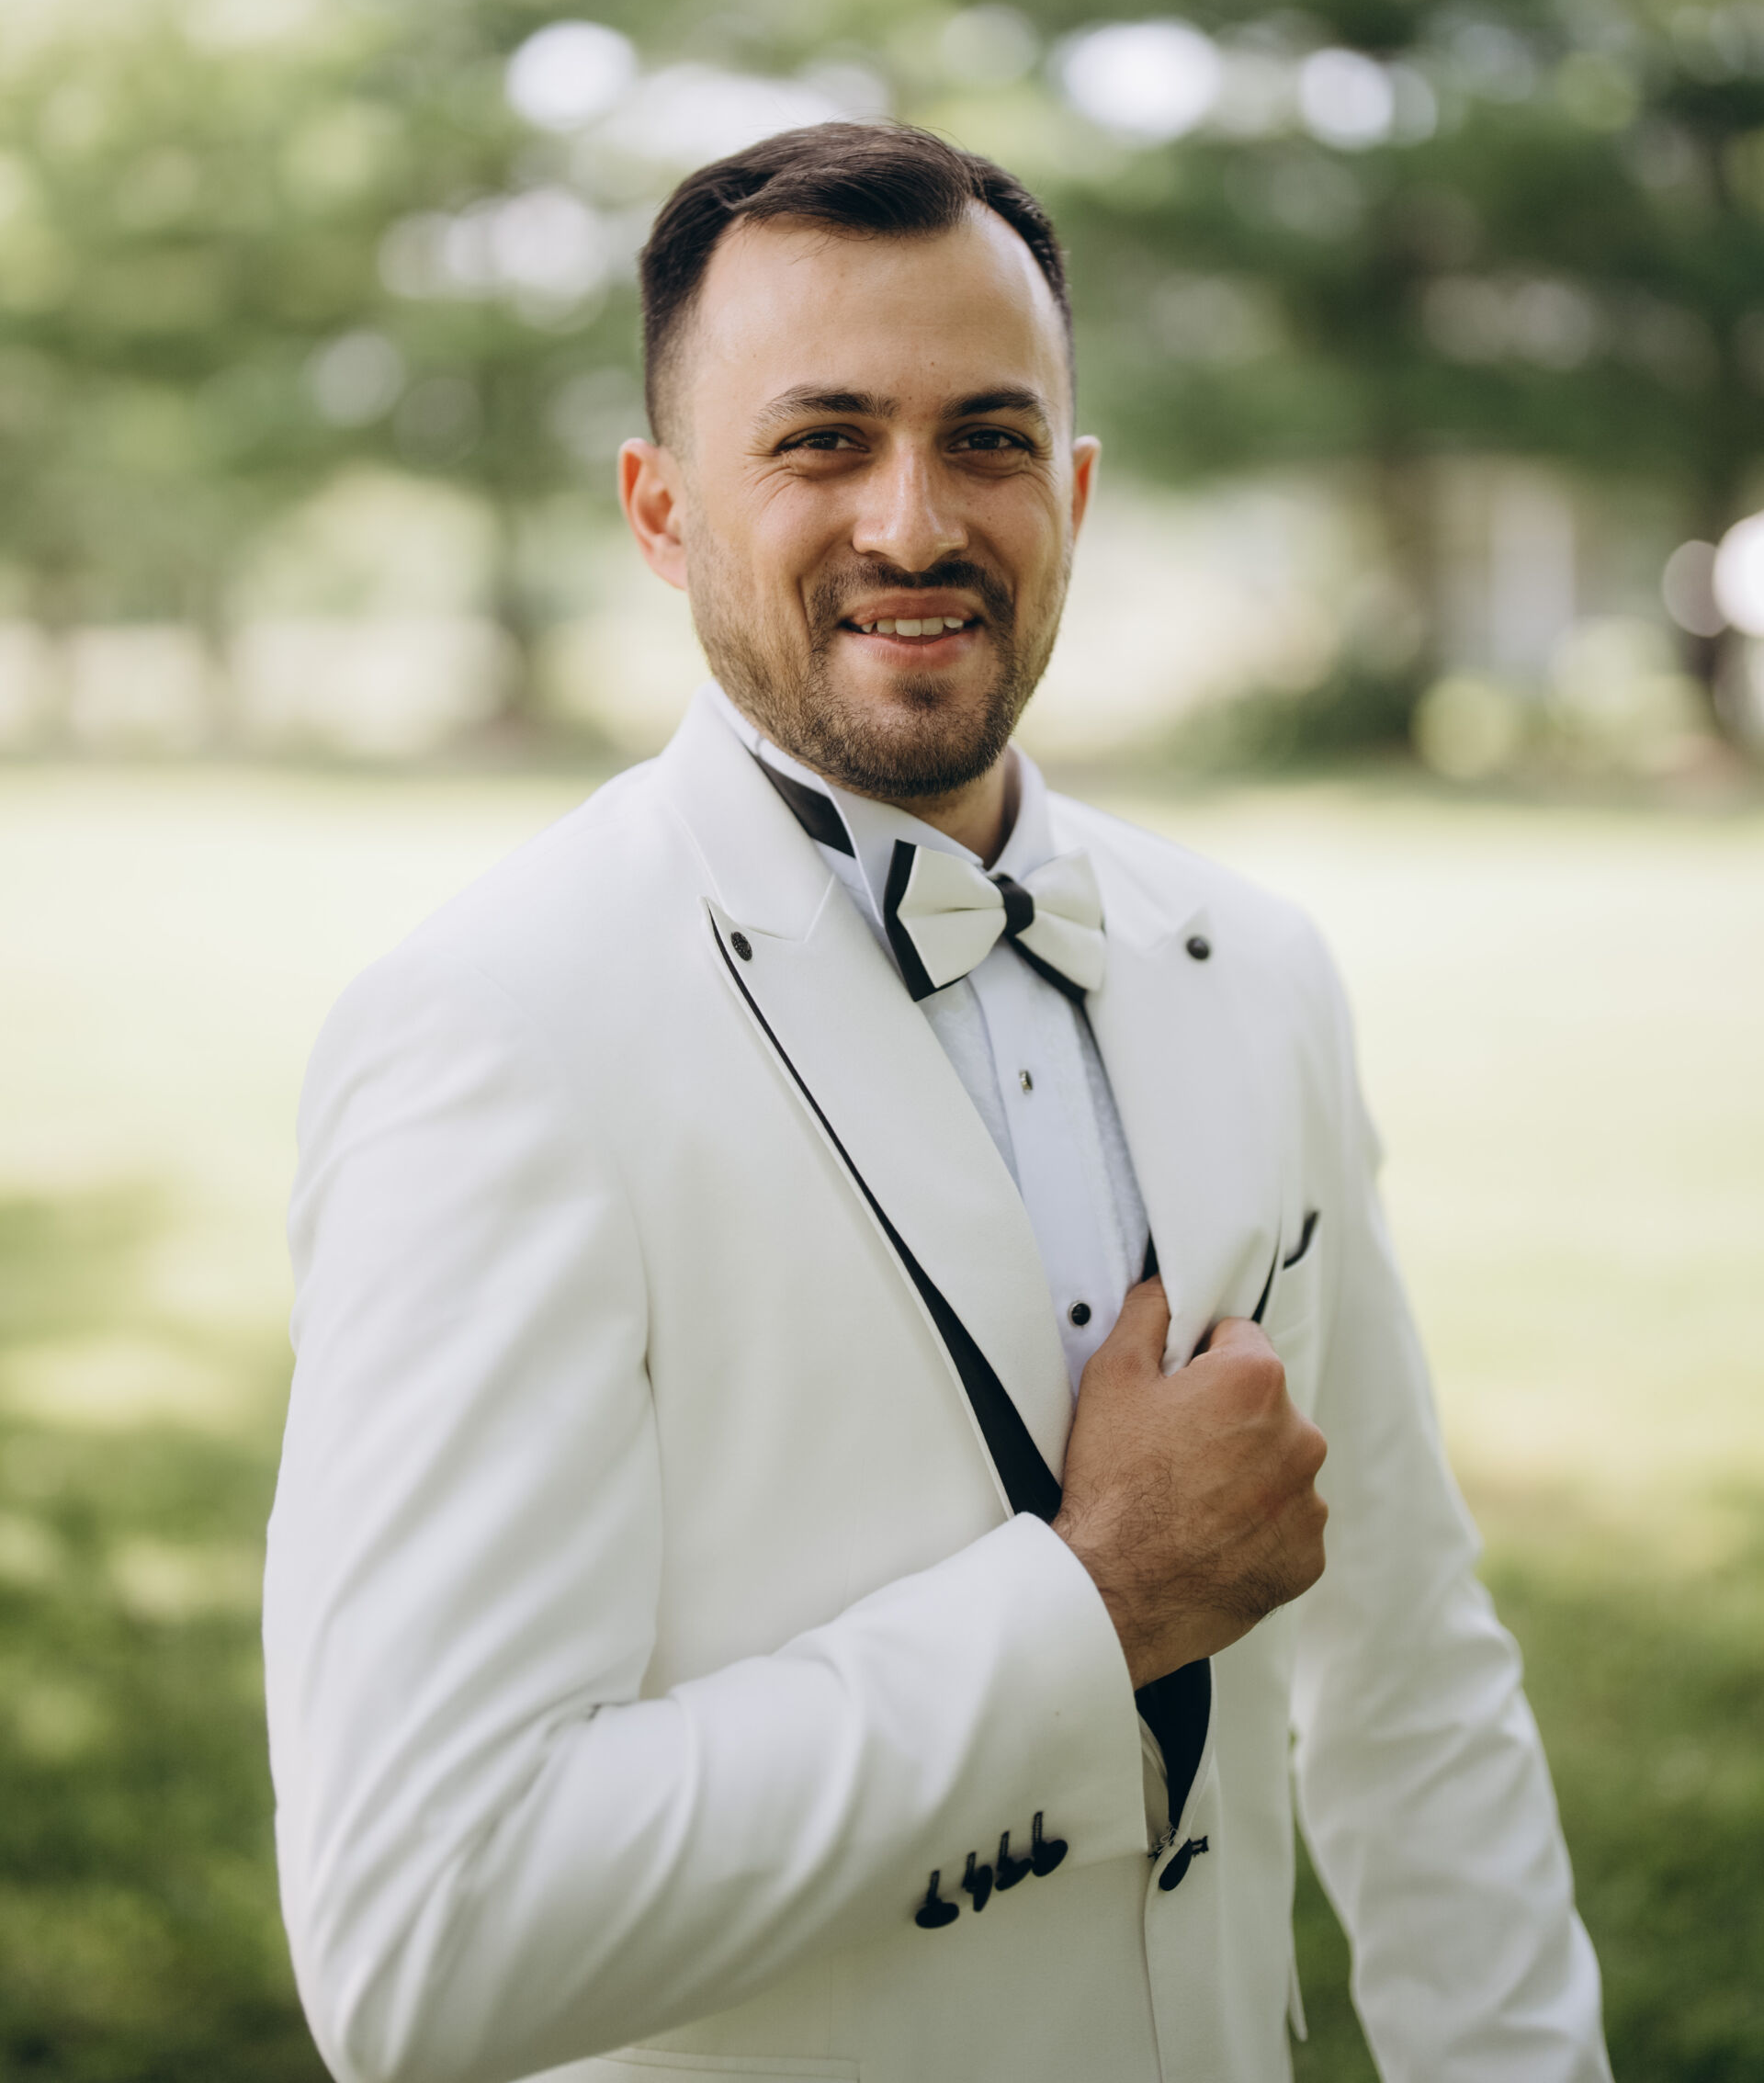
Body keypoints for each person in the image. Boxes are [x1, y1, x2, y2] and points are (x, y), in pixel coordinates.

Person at [264, 122, 1610, 2083]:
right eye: (820, 442)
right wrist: (1092, 1606)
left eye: (987, 440)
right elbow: (424, 1943)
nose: (914, 523)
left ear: (1074, 492)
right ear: (662, 512)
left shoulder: (1255, 968)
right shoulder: (493, 1034)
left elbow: (1411, 1678)